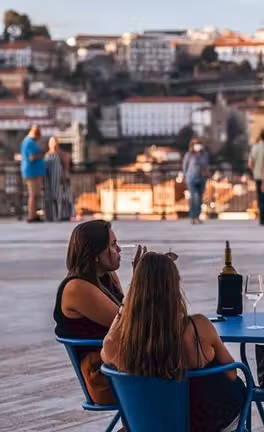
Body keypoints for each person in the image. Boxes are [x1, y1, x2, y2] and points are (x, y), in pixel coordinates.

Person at [102, 252, 246, 432]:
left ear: (135, 292)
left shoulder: (117, 345)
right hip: (209, 424)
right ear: (174, 288)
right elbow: (231, 373)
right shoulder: (198, 328)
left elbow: (108, 343)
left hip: (149, 426)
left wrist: (128, 299)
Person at [54, 220, 145, 405]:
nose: (119, 249)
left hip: (123, 363)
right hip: (106, 376)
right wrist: (140, 281)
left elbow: (133, 314)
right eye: (112, 245)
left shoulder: (107, 276)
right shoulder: (77, 288)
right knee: (182, 369)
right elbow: (129, 322)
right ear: (95, 253)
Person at [20, 125, 45, 222]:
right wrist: (41, 155)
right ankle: (31, 215)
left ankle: (34, 214)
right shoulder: (30, 142)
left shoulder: (27, 141)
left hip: (33, 172)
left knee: (35, 194)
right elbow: (32, 157)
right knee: (33, 194)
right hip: (32, 172)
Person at [43, 136, 72, 222]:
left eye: (54, 142)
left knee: (61, 197)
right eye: (51, 142)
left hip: (59, 179)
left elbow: (66, 166)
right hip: (49, 179)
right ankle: (51, 216)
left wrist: (65, 176)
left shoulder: (62, 154)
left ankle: (62, 215)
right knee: (50, 197)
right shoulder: (47, 155)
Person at [182, 137, 210, 225]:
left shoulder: (204, 155)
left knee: (200, 198)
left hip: (202, 178)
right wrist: (185, 176)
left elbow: (206, 166)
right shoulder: (189, 155)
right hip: (191, 178)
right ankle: (193, 216)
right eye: (196, 144)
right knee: (194, 197)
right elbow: (185, 167)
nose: (198, 146)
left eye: (199, 144)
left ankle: (197, 216)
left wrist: (206, 173)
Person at [249, 130, 264, 226]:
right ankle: (263, 218)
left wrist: (254, 171)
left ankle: (261, 217)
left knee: (260, 196)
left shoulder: (255, 147)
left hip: (257, 175)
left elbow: (250, 163)